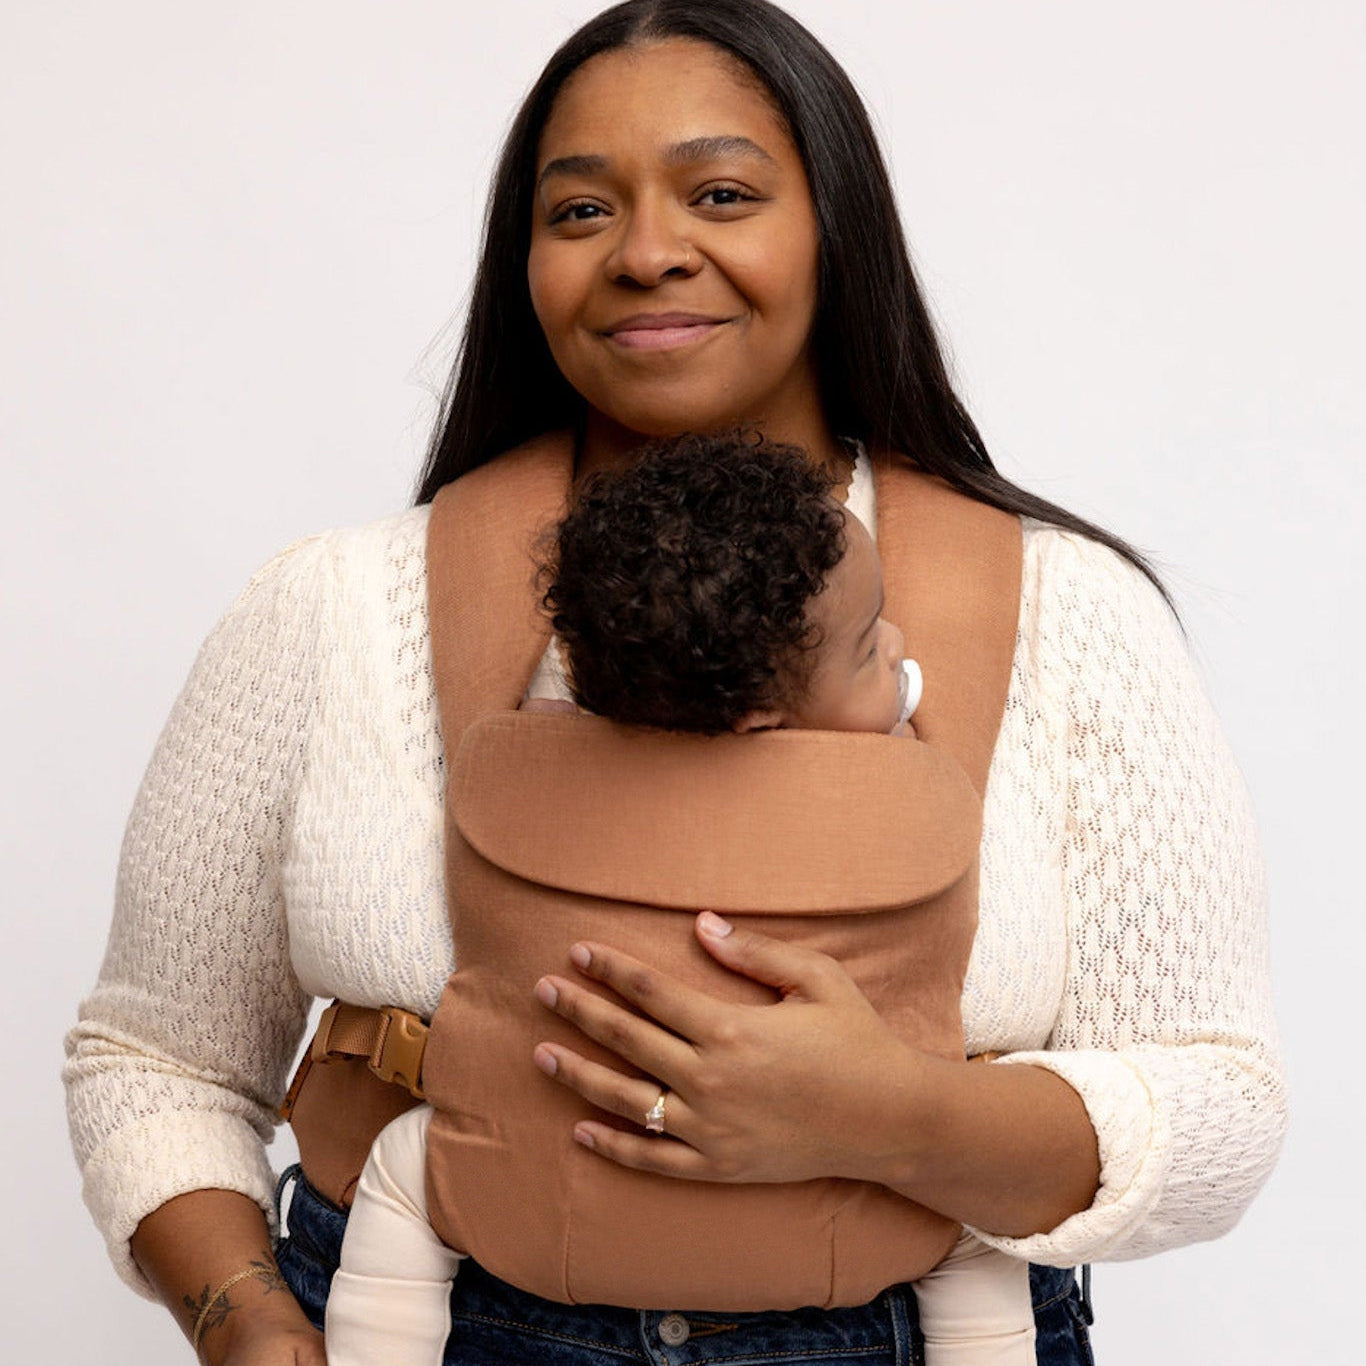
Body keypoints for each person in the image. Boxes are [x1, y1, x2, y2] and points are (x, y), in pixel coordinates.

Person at [63, 3, 1286, 1364]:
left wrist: (892, 1115)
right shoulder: (332, 607)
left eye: (719, 193)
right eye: (579, 211)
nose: (647, 252)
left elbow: (1216, 1103)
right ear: (525, 260)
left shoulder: (1069, 613)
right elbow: (154, 1054)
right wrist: (243, 1319)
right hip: (418, 1314)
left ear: (834, 231)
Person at [325, 434, 1034, 1365]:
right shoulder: (904, 792)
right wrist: (893, 696)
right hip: (866, 1222)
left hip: (530, 1200)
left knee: (405, 1167)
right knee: (977, 1233)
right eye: (870, 647)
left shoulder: (519, 763)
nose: (898, 649)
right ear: (759, 719)